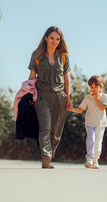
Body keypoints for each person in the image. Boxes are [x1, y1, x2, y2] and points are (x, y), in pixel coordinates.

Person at [28, 26, 73, 169]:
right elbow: (31, 78)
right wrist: (28, 94)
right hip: (42, 97)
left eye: (57, 39)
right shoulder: (36, 55)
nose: (54, 41)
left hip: (60, 97)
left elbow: (67, 80)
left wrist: (68, 99)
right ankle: (46, 157)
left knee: (56, 131)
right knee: (45, 127)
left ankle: (50, 154)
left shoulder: (64, 56)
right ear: (46, 38)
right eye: (52, 38)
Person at [68, 75, 107, 169]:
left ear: (101, 86)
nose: (93, 89)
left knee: (98, 143)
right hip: (90, 122)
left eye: (96, 86)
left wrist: (96, 98)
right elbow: (80, 109)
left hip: (100, 124)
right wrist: (71, 110)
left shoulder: (104, 96)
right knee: (91, 139)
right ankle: (89, 159)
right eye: (91, 87)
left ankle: (95, 161)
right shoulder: (87, 97)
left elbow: (102, 108)